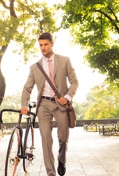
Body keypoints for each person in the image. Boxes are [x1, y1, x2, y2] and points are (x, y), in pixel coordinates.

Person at [21, 32, 78, 176]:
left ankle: (62, 160)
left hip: (61, 104)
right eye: (40, 45)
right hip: (44, 105)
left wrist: (68, 96)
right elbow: (27, 88)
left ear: (52, 44)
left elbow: (74, 82)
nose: (43, 48)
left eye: (46, 44)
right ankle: (51, 173)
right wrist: (24, 104)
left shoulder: (64, 60)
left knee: (63, 138)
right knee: (46, 139)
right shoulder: (35, 67)